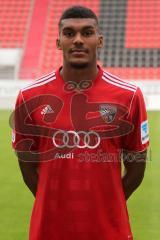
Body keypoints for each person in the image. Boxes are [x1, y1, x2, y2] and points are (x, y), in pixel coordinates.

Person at [12, 5, 149, 240]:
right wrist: (57, 207)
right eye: (69, 33)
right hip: (49, 230)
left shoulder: (129, 96)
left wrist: (106, 205)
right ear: (58, 42)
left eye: (87, 33)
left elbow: (136, 168)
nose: (77, 40)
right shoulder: (29, 97)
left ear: (100, 40)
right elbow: (27, 167)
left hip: (109, 231)